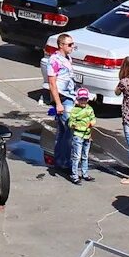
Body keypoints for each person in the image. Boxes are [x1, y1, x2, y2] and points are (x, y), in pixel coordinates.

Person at [44, 33, 81, 180]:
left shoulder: (67, 58)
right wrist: (58, 103)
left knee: (62, 132)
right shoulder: (54, 60)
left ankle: (60, 161)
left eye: (73, 44)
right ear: (61, 45)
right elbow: (52, 83)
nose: (72, 47)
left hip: (69, 96)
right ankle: (66, 163)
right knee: (69, 130)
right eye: (69, 44)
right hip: (63, 99)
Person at [65, 95, 96, 182]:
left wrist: (92, 123)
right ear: (77, 100)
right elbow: (70, 122)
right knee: (77, 156)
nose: (83, 101)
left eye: (85, 99)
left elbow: (93, 118)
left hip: (87, 135)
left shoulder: (90, 109)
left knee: (85, 156)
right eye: (81, 99)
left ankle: (84, 174)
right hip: (78, 135)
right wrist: (74, 125)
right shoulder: (75, 110)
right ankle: (74, 175)